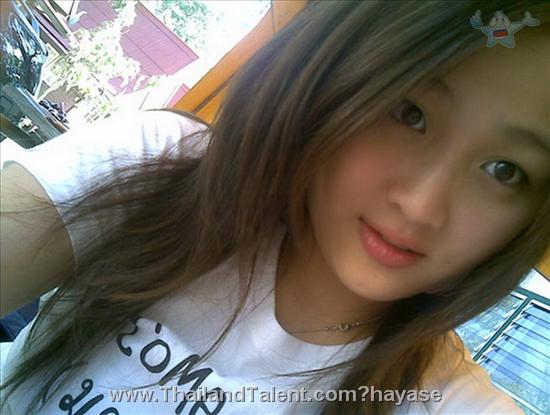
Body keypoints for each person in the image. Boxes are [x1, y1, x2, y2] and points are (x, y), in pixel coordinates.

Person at [1, 1, 549, 414]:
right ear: (335, 79)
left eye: (504, 170)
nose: (422, 205)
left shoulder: (437, 396)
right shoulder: (164, 166)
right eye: (410, 114)